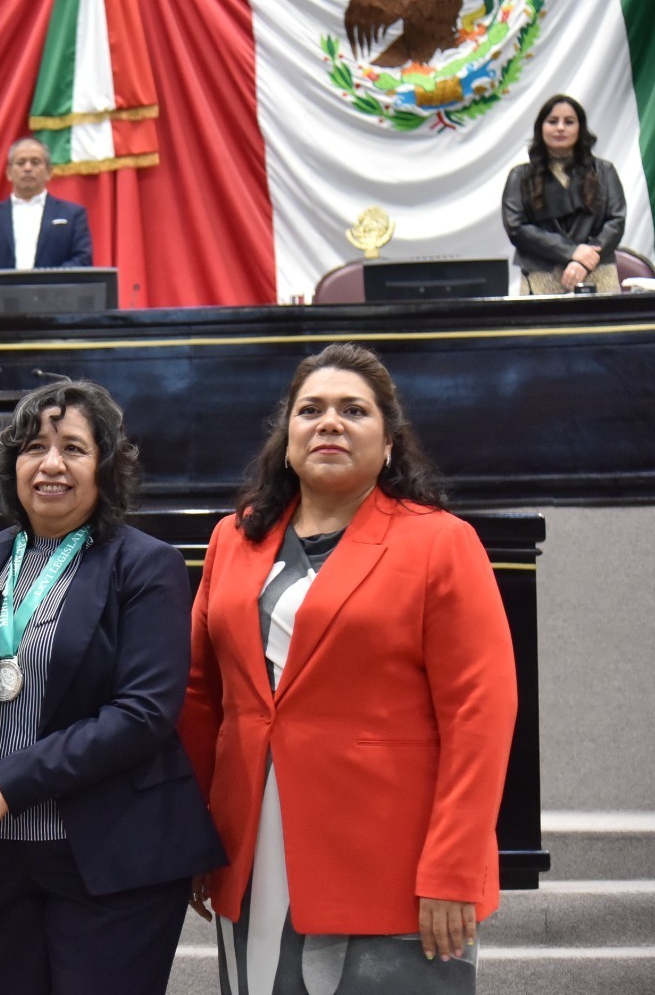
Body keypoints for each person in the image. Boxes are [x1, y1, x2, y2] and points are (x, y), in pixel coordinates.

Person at [179, 342, 518, 995]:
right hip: (251, 853)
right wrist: (194, 838)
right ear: (287, 437)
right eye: (310, 410)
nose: (329, 422)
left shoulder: (440, 542)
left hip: (391, 862)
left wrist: (454, 868)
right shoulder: (233, 540)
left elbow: (481, 714)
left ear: (389, 440)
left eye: (352, 410)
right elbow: (200, 698)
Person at [0, 379, 225, 995]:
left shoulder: (146, 564)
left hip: (110, 854)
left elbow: (144, 713)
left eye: (73, 448)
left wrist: (14, 784)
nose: (50, 465)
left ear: (106, 467)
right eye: (33, 447)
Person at [502, 93, 627, 294]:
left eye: (569, 122)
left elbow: (616, 221)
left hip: (596, 269)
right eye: (552, 121)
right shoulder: (520, 176)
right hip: (542, 274)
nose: (560, 127)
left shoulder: (604, 171)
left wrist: (584, 261)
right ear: (540, 128)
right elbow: (517, 227)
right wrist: (571, 252)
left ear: (580, 128)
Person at [0, 137, 94, 288]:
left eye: (35, 162)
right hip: (1, 306)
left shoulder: (72, 215)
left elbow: (82, 260)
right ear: (9, 172)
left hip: (57, 305)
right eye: (21, 163)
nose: (27, 168)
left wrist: (44, 286)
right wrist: (4, 287)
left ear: (49, 172)